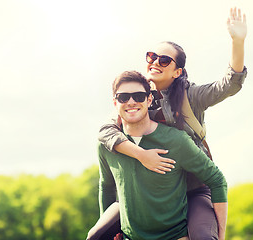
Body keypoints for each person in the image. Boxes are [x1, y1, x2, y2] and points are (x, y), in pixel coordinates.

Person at [98, 7, 247, 239]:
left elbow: (230, 85)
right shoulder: (137, 99)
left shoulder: (192, 97)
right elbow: (105, 132)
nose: (156, 62)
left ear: (177, 71)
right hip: (154, 190)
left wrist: (238, 42)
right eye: (152, 57)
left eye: (164, 60)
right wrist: (141, 155)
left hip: (193, 187)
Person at [87, 71, 228, 240]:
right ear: (115, 102)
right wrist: (111, 228)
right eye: (123, 97)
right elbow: (107, 187)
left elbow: (216, 179)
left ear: (149, 100)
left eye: (139, 96)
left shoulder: (176, 140)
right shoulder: (106, 145)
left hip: (175, 236)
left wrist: (220, 234)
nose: (131, 102)